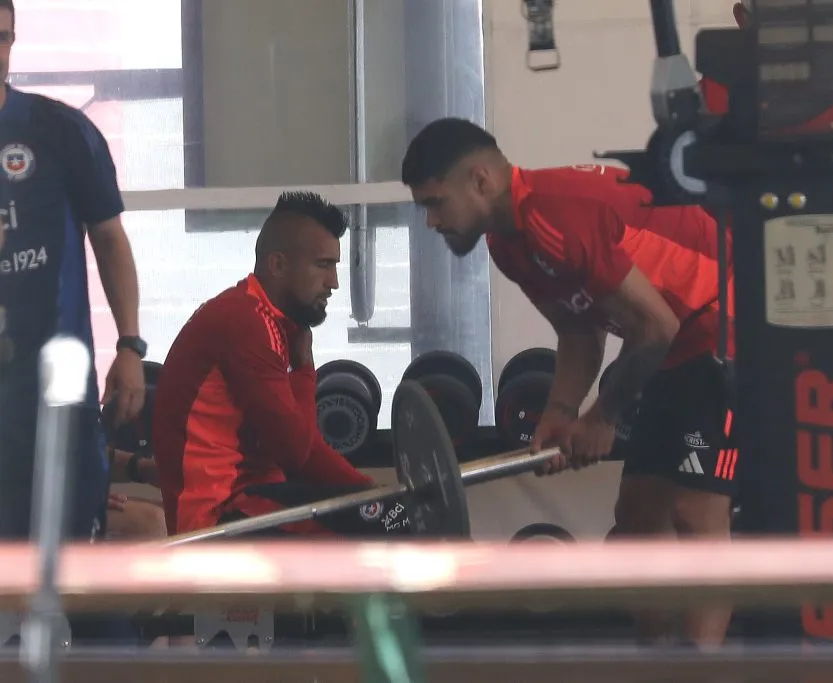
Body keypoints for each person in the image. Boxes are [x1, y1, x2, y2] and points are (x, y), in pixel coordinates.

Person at [401, 119, 738, 648]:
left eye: (436, 203)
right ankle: (658, 665)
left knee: (695, 517)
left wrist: (602, 417)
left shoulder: (556, 216)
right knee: (636, 525)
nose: (431, 221)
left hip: (725, 326)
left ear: (482, 181)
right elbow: (579, 329)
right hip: (672, 347)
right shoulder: (507, 244)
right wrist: (560, 412)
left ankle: (700, 669)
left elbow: (655, 327)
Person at [151, 191, 410, 538]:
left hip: (253, 498)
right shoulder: (247, 323)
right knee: (388, 520)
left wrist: (372, 491)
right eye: (323, 265)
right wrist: (304, 371)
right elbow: (297, 453)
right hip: (218, 520)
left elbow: (297, 443)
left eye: (335, 265)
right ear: (277, 265)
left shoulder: (267, 321)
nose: (333, 282)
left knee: (390, 515)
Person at [0, 0, 146, 542]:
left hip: (56, 394)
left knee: (72, 560)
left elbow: (110, 239)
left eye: (4, 37)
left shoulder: (58, 132)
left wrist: (130, 346)